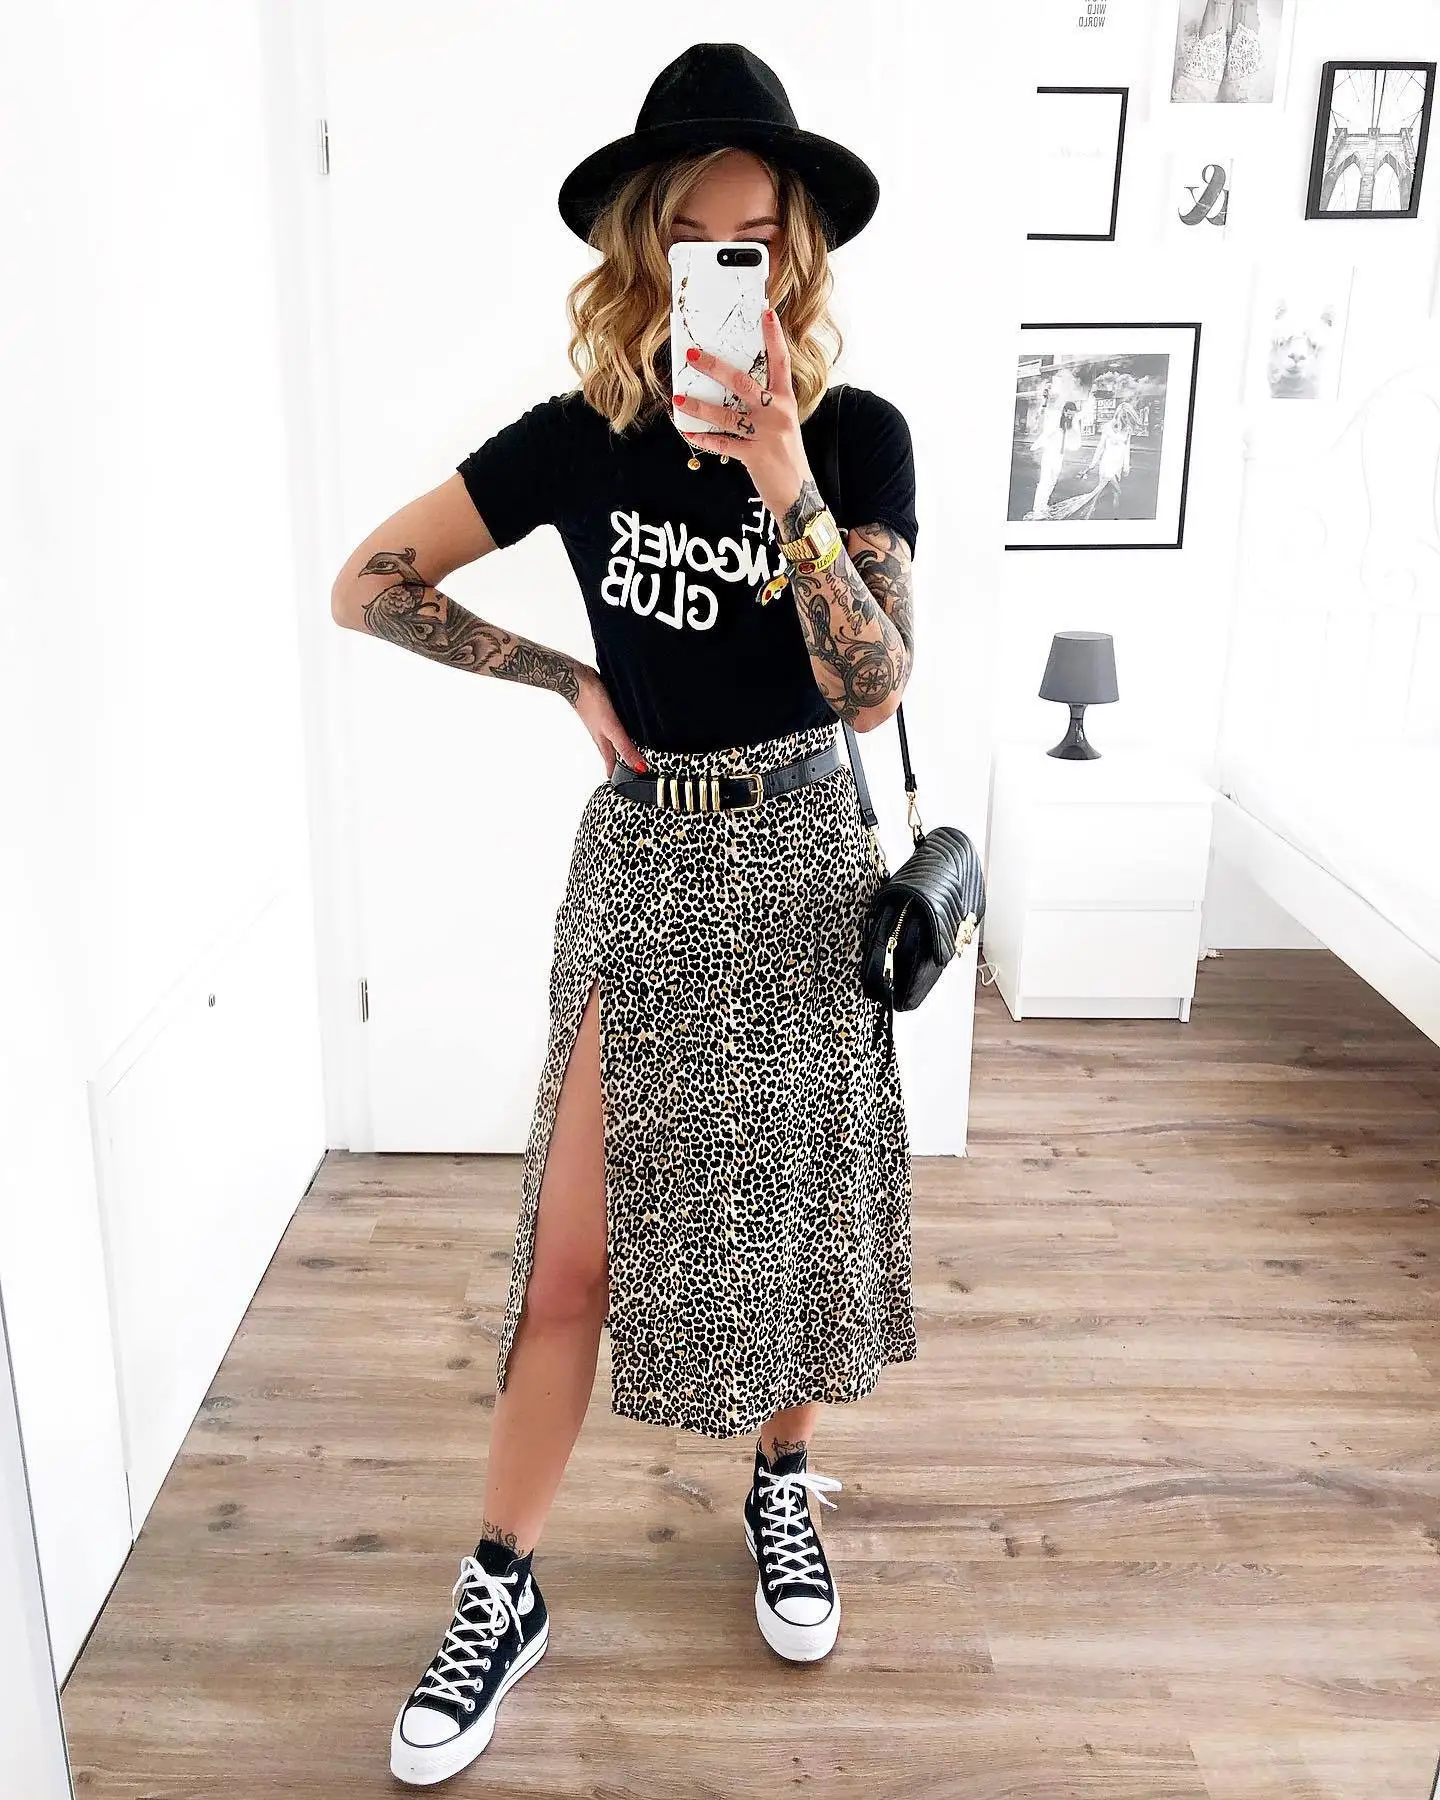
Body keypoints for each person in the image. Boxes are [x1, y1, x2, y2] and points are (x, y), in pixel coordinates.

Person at [330, 42, 919, 1786]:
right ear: (644, 250)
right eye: (692, 236)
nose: (727, 264)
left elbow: (873, 685)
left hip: (803, 855)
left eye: (757, 236)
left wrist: (783, 472)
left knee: (792, 1217)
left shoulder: (857, 438)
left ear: (793, 252)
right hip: (648, 863)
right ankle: (502, 1583)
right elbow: (370, 583)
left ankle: (780, 1481)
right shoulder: (574, 442)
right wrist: (560, 673)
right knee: (572, 1252)